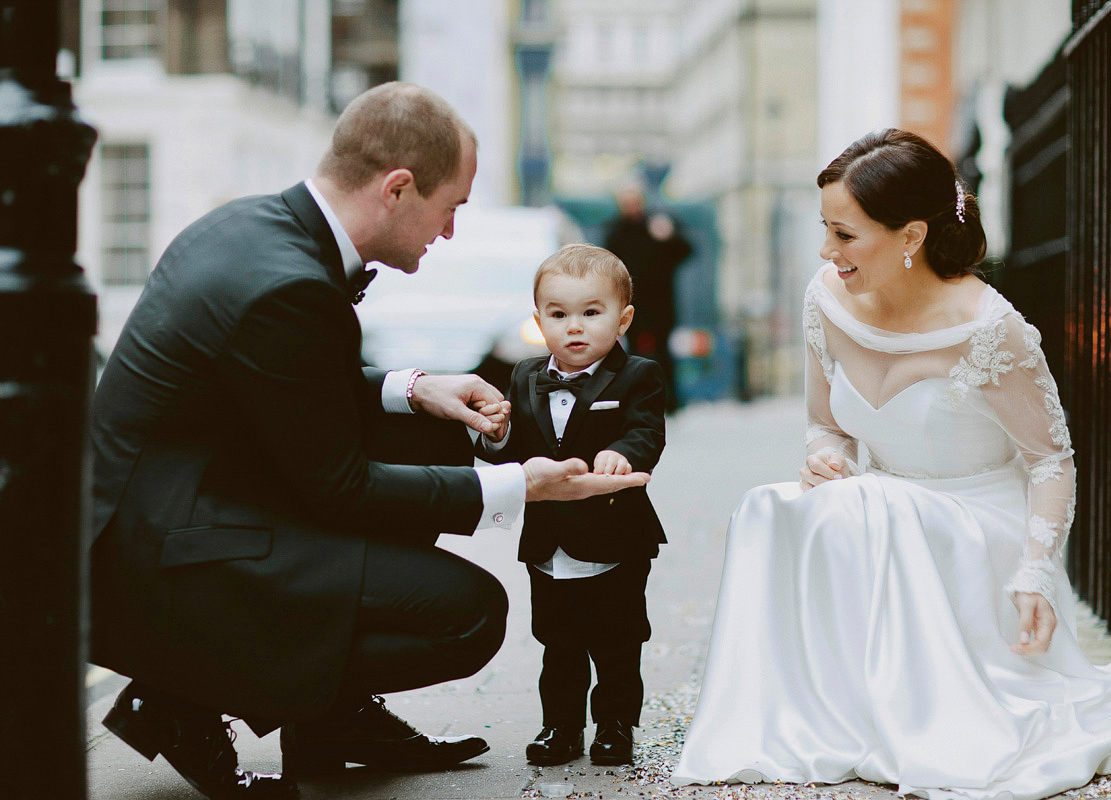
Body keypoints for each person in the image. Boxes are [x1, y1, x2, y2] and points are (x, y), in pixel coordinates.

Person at [88, 82, 650, 800]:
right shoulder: (286, 283)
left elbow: (283, 382)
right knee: (469, 616)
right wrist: (524, 486)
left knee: (439, 438)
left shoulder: (252, 227)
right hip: (162, 559)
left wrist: (415, 389)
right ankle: (184, 693)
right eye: (450, 209)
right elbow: (340, 486)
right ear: (397, 188)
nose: (447, 232)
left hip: (180, 504)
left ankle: (331, 721)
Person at [671, 129, 1111, 800]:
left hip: (983, 532)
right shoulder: (824, 298)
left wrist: (1036, 573)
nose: (828, 251)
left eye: (846, 234)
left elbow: (1050, 461)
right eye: (825, 230)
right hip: (881, 515)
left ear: (911, 235)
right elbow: (825, 425)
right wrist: (825, 459)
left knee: (879, 506)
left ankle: (916, 717)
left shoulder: (990, 326)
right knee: (770, 507)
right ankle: (809, 716)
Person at [476, 243, 667, 767]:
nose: (574, 327)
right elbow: (511, 448)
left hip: (614, 537)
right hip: (548, 538)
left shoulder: (637, 376)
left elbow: (646, 431)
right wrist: (494, 436)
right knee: (557, 643)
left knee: (617, 640)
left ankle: (615, 727)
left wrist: (620, 454)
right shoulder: (524, 376)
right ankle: (559, 728)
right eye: (558, 315)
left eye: (591, 313)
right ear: (539, 320)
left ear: (623, 319)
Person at [603, 183, 692, 414]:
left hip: (661, 302)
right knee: (632, 353)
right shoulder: (616, 230)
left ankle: (670, 401)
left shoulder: (658, 224)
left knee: (663, 351)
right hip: (631, 302)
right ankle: (638, 399)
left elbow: (685, 251)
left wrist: (668, 236)